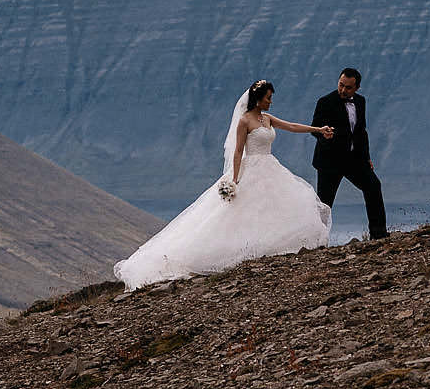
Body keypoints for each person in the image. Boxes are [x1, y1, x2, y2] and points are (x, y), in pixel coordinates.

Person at [114, 80, 334, 289]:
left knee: (274, 208)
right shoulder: (245, 121)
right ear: (258, 99)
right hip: (252, 169)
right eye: (268, 98)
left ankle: (270, 247)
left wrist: (318, 129)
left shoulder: (267, 118)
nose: (270, 102)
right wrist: (235, 180)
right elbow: (238, 151)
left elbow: (292, 126)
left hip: (271, 168)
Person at [312, 66, 388, 240]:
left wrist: (367, 157)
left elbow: (361, 132)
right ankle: (316, 241)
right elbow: (314, 128)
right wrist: (324, 134)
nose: (343, 90)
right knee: (324, 204)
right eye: (341, 85)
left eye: (348, 87)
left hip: (354, 159)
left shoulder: (361, 102)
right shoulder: (325, 102)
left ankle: (379, 235)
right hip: (329, 161)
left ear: (356, 88)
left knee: (373, 186)